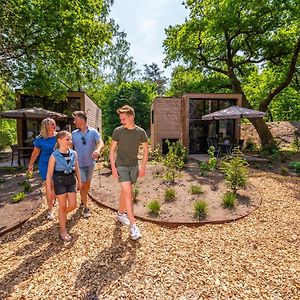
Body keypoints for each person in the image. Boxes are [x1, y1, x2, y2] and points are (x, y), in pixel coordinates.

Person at [109, 105, 148, 240]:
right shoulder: (118, 131)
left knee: (126, 191)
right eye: (120, 119)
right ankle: (133, 226)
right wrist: (113, 168)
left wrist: (143, 167)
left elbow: (146, 151)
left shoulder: (141, 132)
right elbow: (112, 150)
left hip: (133, 165)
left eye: (123, 118)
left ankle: (120, 213)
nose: (121, 121)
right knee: (129, 193)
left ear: (131, 117)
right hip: (121, 165)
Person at [46, 131, 81, 241]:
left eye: (70, 139)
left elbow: (77, 168)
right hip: (59, 182)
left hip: (71, 180)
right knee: (62, 206)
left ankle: (62, 216)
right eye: (67, 139)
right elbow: (49, 174)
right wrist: (49, 190)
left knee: (73, 205)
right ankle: (63, 230)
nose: (70, 141)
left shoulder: (73, 153)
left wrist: (80, 181)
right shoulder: (54, 156)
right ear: (59, 140)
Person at [71, 111, 104, 218]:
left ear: (81, 120)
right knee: (83, 184)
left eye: (75, 119)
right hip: (78, 164)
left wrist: (98, 150)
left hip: (90, 163)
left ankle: (83, 197)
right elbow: (70, 147)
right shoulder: (74, 134)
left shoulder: (93, 132)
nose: (74, 121)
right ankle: (86, 207)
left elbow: (100, 142)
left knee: (87, 184)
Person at [28, 118, 57, 220]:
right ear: (46, 126)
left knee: (55, 187)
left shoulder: (58, 136)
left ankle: (54, 199)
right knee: (48, 187)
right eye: (52, 124)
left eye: (54, 123)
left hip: (57, 165)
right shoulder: (40, 139)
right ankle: (50, 211)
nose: (55, 125)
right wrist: (30, 164)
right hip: (45, 165)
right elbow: (35, 153)